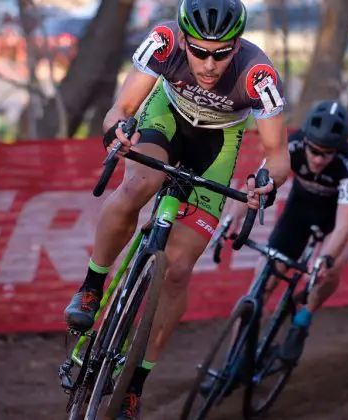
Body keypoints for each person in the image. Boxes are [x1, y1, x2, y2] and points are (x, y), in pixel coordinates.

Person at [62, 0, 291, 418]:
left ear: (237, 44)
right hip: (164, 119)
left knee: (180, 268)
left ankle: (136, 380)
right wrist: (118, 132)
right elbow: (122, 109)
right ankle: (92, 287)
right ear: (183, 38)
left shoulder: (258, 75)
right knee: (138, 184)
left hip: (217, 144)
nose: (208, 64)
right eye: (199, 50)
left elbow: (278, 158)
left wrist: (265, 181)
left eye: (221, 53)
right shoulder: (164, 41)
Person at [225, 100, 348, 367]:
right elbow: (255, 185)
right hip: (300, 211)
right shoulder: (292, 145)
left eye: (326, 154)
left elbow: (345, 222)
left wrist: (326, 258)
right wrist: (231, 218)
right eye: (313, 150)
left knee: (331, 268)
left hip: (335, 220)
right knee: (261, 283)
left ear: (339, 149)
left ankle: (303, 319)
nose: (317, 158)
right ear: (306, 141)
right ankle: (232, 362)